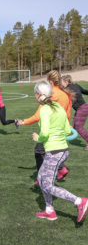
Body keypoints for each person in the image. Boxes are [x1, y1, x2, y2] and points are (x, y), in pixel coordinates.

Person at [32, 81, 88, 222]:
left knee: (47, 185)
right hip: (62, 150)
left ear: (38, 95)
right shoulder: (58, 107)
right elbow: (68, 130)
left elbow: (44, 132)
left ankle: (79, 201)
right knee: (40, 177)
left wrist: (39, 138)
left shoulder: (44, 109)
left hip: (54, 152)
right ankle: (50, 210)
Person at [17, 70, 73, 182]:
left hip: (50, 128)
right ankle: (60, 168)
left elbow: (38, 116)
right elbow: (68, 114)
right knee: (52, 150)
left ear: (51, 82)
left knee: (39, 151)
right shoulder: (66, 94)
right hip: (62, 128)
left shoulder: (50, 95)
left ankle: (42, 177)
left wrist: (23, 121)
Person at [61, 75, 88, 150]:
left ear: (66, 81)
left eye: (61, 82)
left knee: (78, 127)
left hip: (82, 109)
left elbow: (72, 102)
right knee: (75, 126)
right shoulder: (76, 85)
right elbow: (85, 91)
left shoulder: (67, 89)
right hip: (83, 107)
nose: (61, 84)